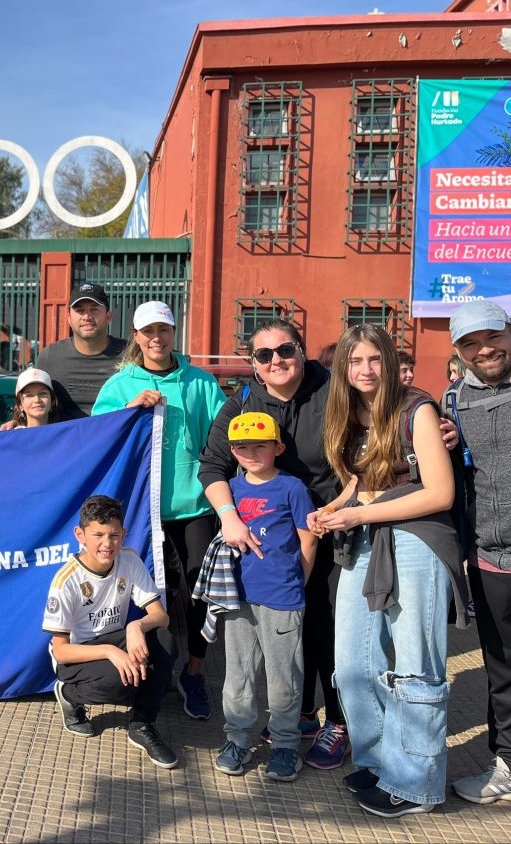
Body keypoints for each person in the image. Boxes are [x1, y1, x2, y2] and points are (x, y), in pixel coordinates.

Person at [312, 324, 467, 818]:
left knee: (416, 664)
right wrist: (333, 508)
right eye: (355, 361)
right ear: (343, 367)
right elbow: (361, 482)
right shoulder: (349, 412)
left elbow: (439, 493)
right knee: (353, 665)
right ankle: (382, 763)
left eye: (374, 360)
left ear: (391, 360)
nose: (365, 371)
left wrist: (357, 513)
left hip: (418, 539)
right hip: (365, 537)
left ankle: (415, 784)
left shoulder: (417, 408)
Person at [198, 318, 347, 768]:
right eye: (264, 355)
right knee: (253, 658)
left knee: (329, 632)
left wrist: (435, 423)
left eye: (285, 350)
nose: (276, 360)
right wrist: (229, 519)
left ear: (302, 351)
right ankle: (299, 717)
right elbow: (212, 466)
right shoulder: (242, 402)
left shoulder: (333, 388)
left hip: (327, 526)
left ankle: (337, 721)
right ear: (254, 364)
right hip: (268, 544)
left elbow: (382, 422)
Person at [91, 301, 225, 721]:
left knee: (199, 589)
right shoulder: (119, 384)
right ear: (135, 337)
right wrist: (129, 408)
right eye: (147, 331)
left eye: (163, 330)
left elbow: (221, 440)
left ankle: (194, 671)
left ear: (173, 333)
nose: (156, 338)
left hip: (193, 506)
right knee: (145, 595)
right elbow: (96, 436)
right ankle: (155, 669)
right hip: (140, 508)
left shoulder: (201, 382)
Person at [212, 411, 316, 782]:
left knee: (283, 677)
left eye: (260, 445)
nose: (251, 453)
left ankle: (286, 746)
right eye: (242, 447)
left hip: (282, 598)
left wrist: (296, 580)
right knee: (237, 674)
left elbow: (308, 538)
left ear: (278, 447)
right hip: (237, 596)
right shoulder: (232, 489)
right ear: (233, 451)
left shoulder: (292, 488)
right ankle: (237, 739)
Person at [44, 495, 177, 769]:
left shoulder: (129, 560)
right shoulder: (66, 580)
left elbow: (161, 617)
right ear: (80, 534)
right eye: (98, 535)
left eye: (115, 535)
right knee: (122, 678)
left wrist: (136, 625)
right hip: (79, 656)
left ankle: (142, 725)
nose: (108, 543)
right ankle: (69, 695)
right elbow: (60, 649)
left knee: (164, 640)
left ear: (124, 534)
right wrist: (110, 651)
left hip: (116, 639)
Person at [443, 302, 511, 806]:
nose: (484, 348)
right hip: (491, 559)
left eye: (492, 336)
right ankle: (506, 764)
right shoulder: (454, 401)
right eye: (470, 343)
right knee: (501, 672)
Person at [33, 282, 127, 421]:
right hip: (66, 441)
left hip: (117, 439)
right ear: (69, 319)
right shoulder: (50, 357)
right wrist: (19, 422)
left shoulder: (131, 354)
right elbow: (35, 400)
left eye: (94, 309)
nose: (87, 317)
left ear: (108, 317)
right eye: (80, 310)